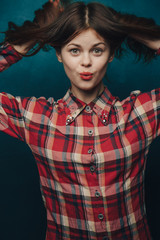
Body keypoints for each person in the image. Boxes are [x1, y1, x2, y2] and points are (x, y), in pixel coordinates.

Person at [0, 0, 160, 239]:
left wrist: (130, 27)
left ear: (111, 54)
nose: (86, 62)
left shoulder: (141, 113)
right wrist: (29, 37)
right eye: (74, 50)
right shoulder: (35, 117)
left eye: (97, 49)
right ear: (59, 54)